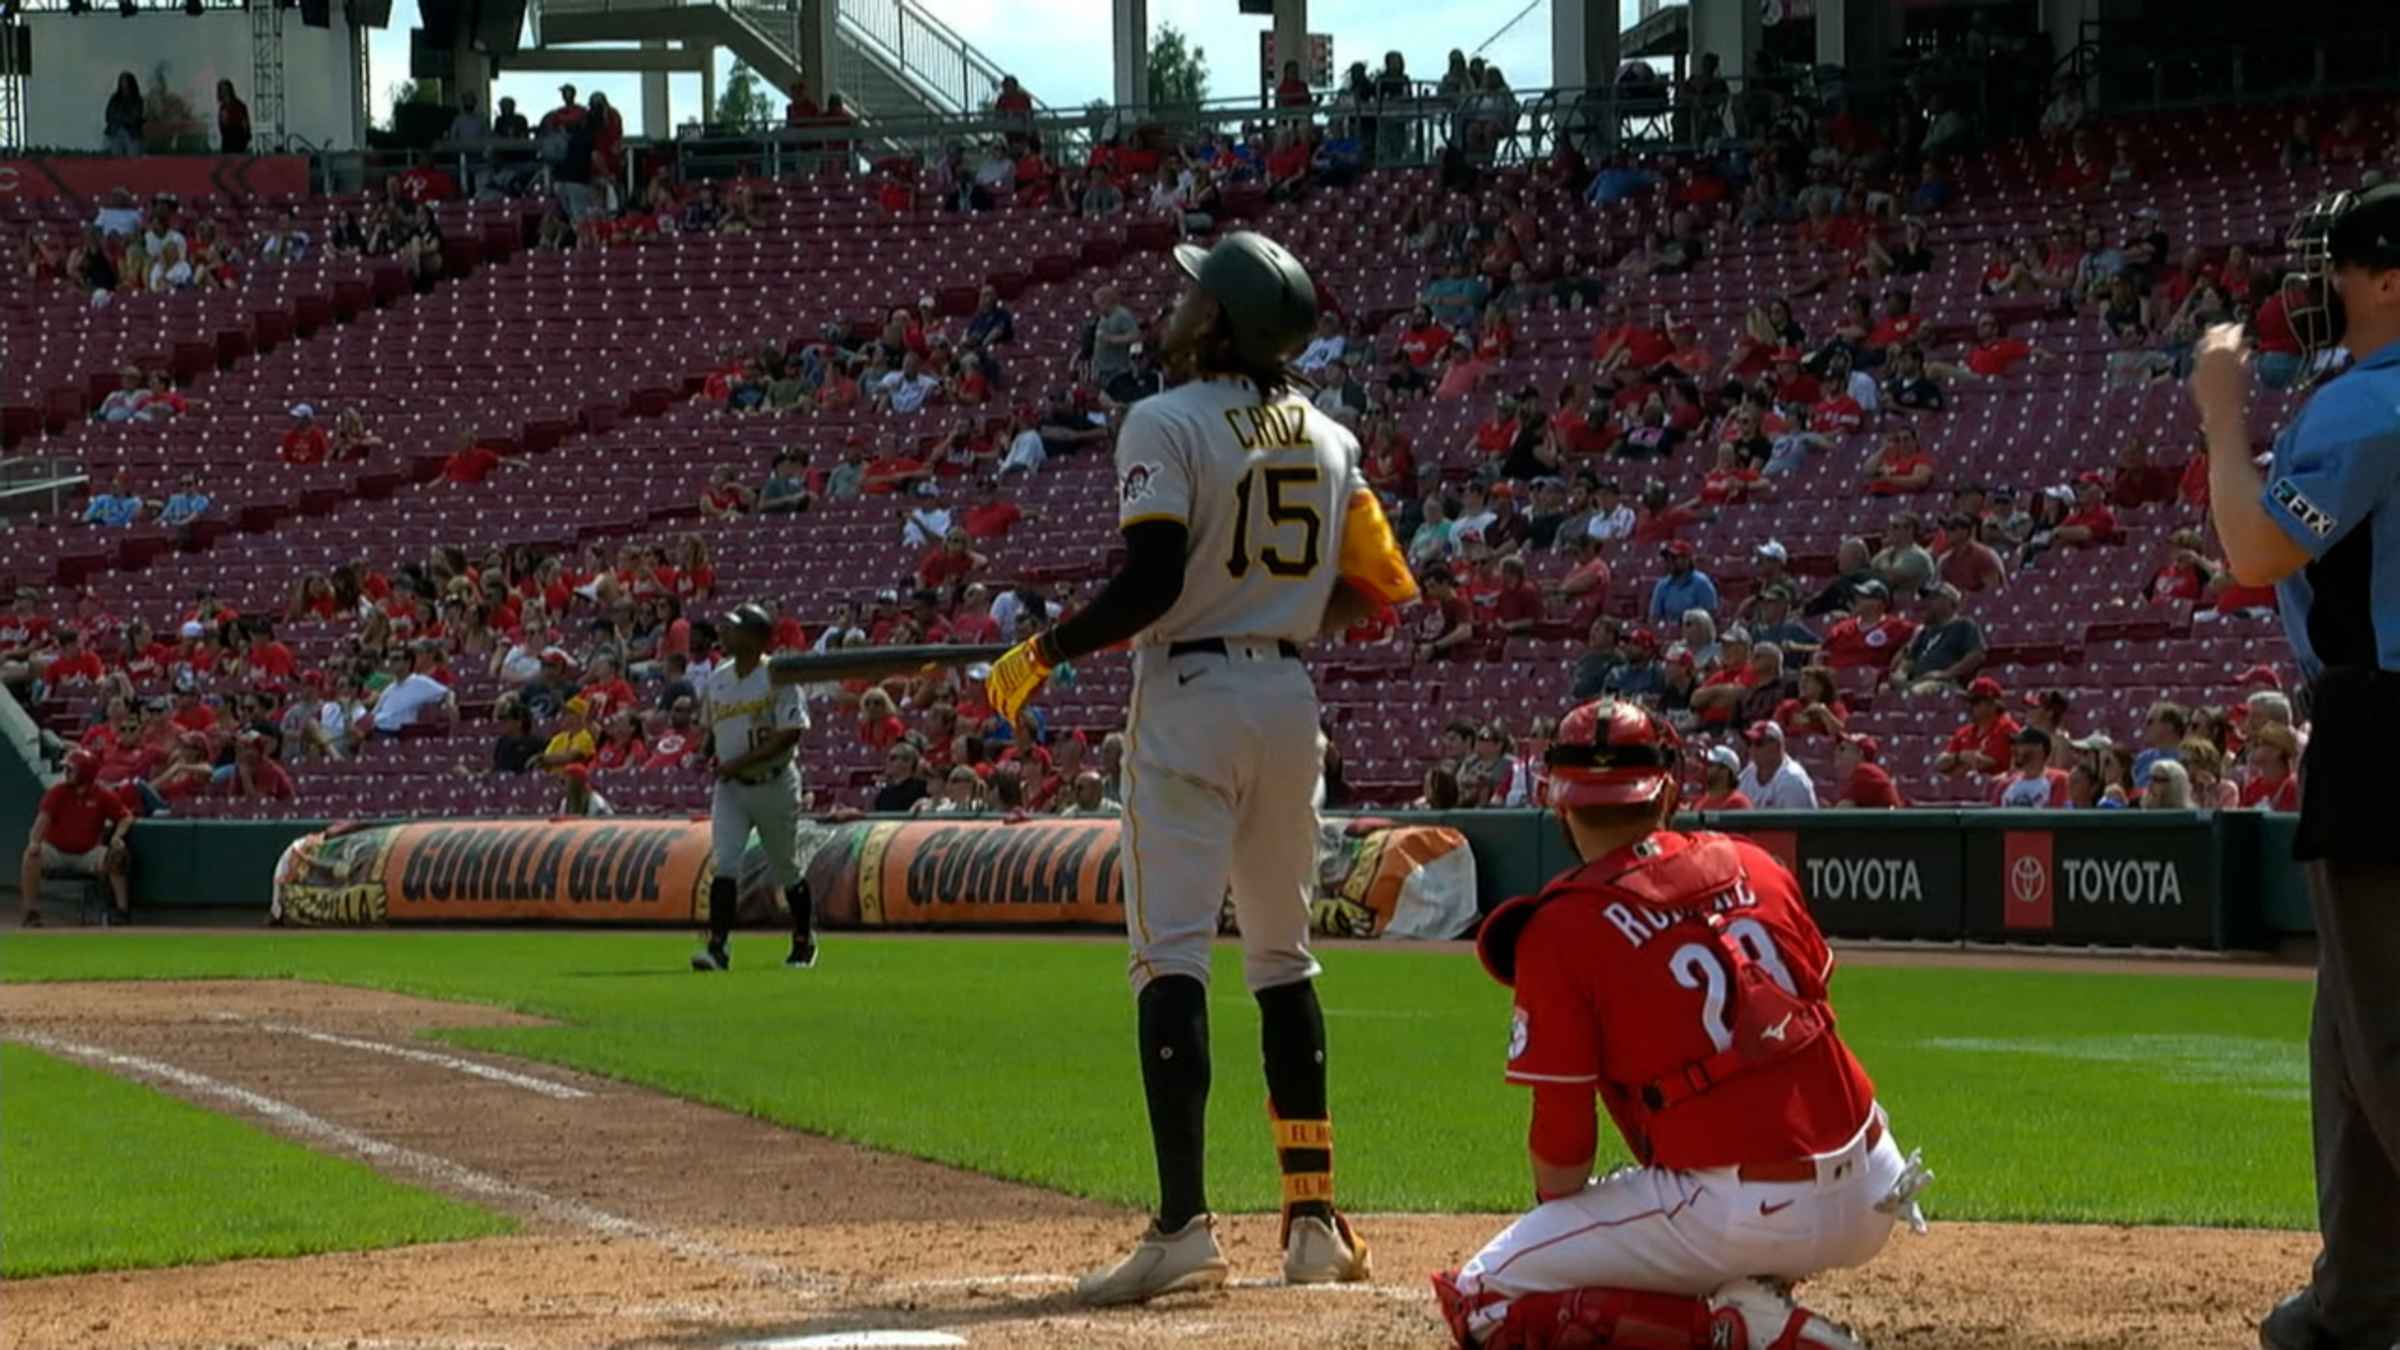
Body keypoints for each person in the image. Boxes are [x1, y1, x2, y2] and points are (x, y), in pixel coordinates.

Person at [980, 231, 1415, 1306]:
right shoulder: (1331, 436)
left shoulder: (1163, 419)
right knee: (1283, 960)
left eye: (1189, 297)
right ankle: (1311, 1221)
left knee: (1171, 958)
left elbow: (1151, 582)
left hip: (1188, 696)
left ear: (1219, 322)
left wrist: (1044, 652)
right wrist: (1280, 608)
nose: (1170, 308)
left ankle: (1182, 1227)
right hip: (1286, 698)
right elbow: (1383, 587)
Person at [1433, 699, 1927, 1350]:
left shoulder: (1562, 924)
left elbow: (1562, 1148)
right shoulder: (1753, 861)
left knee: (1479, 1301)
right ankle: (1745, 1297)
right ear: (1667, 788)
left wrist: (1584, 1232)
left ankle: (1744, 1332)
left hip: (1737, 1210)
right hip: (1875, 1182)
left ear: (1559, 804)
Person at [2193, 186, 2400, 1350]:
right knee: (2352, 1042)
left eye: (2340, 267)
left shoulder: (2368, 400)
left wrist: (2224, 418)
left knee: (2386, 1039)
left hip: (2385, 728)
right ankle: (2358, 1300)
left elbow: (2257, 546)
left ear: (2391, 280)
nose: (2313, 290)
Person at [690, 604, 817, 973]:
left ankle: (803, 939)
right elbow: (712, 728)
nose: (725, 634)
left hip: (774, 782)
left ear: (756, 637)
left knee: (786, 867)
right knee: (725, 863)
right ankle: (718, 948)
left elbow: (789, 734)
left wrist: (736, 763)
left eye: (734, 629)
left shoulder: (778, 674)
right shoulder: (719, 676)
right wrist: (705, 753)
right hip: (731, 787)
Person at [20, 750, 134, 926]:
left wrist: (118, 836)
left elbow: (126, 816)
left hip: (88, 852)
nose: (66, 773)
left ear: (84, 772)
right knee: (31, 855)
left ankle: (121, 911)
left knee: (117, 856)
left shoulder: (102, 794)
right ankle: (31, 912)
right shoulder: (57, 792)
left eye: (71, 770)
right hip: (56, 850)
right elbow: (42, 821)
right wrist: (34, 842)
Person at [1737, 719, 1817, 809]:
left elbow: (1795, 821)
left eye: (1758, 743)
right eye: (1749, 743)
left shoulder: (1792, 778)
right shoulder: (1748, 773)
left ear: (1777, 746)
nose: (1751, 748)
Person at [105, 72, 146, 155]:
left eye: (125, 81)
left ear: (131, 83)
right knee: (116, 161)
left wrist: (120, 117)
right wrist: (123, 118)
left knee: (133, 161)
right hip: (115, 132)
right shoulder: (114, 98)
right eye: (121, 81)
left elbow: (135, 117)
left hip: (132, 134)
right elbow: (108, 115)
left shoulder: (137, 99)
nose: (123, 84)